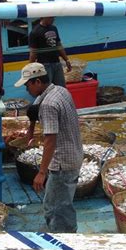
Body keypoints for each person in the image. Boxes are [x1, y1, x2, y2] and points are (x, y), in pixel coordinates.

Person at [15, 63, 83, 233]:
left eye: (27, 84)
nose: (26, 89)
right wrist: (31, 128)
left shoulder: (48, 105)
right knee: (60, 203)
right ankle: (64, 232)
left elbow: (50, 140)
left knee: (56, 208)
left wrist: (41, 172)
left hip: (62, 163)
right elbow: (34, 108)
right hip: (75, 154)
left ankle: (64, 240)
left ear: (37, 82)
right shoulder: (59, 90)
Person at [28, 17, 72, 87]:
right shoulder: (35, 32)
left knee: (61, 88)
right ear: (44, 17)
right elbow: (33, 52)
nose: (53, 19)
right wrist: (30, 68)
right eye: (51, 17)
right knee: (47, 89)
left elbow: (59, 45)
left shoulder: (54, 28)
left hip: (56, 63)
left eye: (53, 17)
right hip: (44, 65)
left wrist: (66, 60)